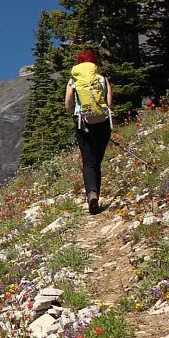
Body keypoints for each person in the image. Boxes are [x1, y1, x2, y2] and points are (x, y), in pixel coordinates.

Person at [65, 50, 113, 215]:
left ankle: (91, 194)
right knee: (97, 162)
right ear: (94, 64)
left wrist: (74, 112)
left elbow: (68, 104)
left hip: (83, 124)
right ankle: (96, 195)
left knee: (88, 162)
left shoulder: (73, 82)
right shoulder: (102, 80)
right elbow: (109, 103)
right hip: (103, 124)